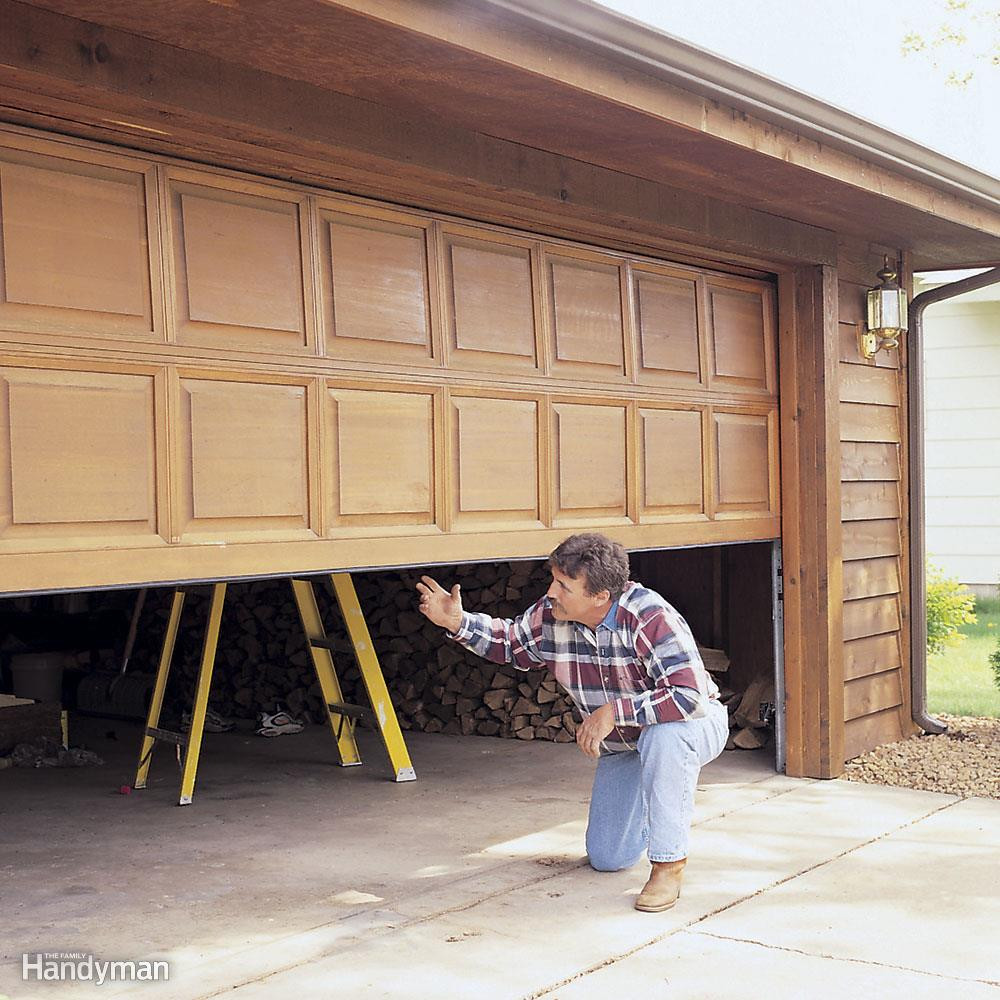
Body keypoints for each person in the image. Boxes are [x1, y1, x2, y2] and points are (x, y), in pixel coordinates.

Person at [416, 532, 729, 912]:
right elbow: (512, 643)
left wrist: (614, 712)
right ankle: (659, 803)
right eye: (553, 579)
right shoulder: (551, 615)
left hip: (693, 725)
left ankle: (668, 865)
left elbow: (689, 697)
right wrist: (458, 621)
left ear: (600, 596)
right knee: (607, 858)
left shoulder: (649, 616)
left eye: (564, 585)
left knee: (665, 738)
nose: (551, 591)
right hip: (623, 748)